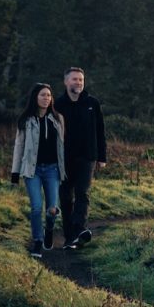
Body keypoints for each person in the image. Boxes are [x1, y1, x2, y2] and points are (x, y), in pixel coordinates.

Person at [10, 83, 68, 258]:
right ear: (35, 97)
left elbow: (62, 146)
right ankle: (37, 241)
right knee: (36, 207)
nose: (46, 98)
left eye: (49, 96)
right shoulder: (26, 120)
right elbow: (19, 146)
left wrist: (64, 168)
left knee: (52, 209)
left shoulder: (58, 119)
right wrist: (15, 173)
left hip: (52, 170)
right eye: (43, 95)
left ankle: (49, 228)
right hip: (32, 170)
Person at [57, 66, 107, 249]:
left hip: (88, 156)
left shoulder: (92, 103)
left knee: (82, 193)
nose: (78, 82)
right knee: (65, 196)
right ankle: (69, 237)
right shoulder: (58, 104)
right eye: (74, 79)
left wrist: (102, 156)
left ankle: (79, 231)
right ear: (66, 81)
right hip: (64, 158)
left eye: (80, 79)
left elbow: (100, 131)